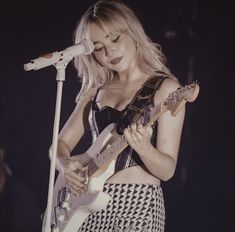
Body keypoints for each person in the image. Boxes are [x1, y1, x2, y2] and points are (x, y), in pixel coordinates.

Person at [55, 0, 185, 231]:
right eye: (97, 47)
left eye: (115, 39)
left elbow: (167, 170)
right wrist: (65, 165)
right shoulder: (95, 90)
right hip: (85, 204)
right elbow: (60, 144)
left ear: (133, 33)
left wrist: (144, 148)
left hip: (137, 203)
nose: (109, 52)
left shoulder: (166, 89)